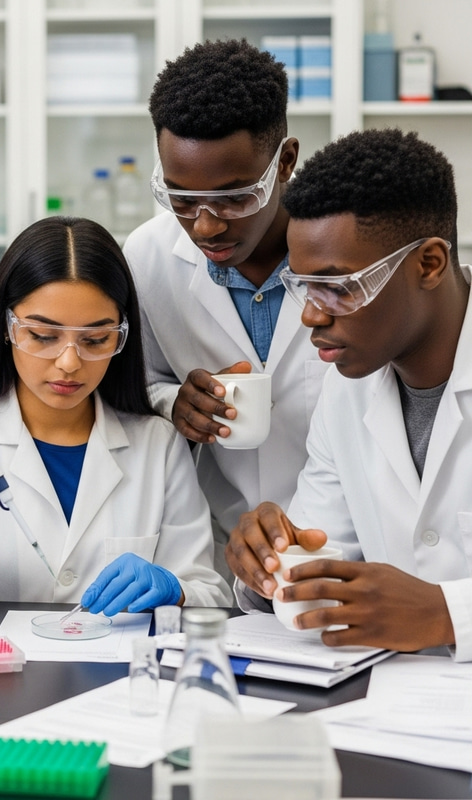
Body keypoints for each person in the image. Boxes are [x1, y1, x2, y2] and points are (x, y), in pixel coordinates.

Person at [0, 216, 231, 612]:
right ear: (7, 327)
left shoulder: (159, 445)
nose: (69, 362)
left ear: (122, 336)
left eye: (96, 339)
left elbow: (210, 593)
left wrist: (176, 590)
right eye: (43, 336)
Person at [226, 128, 472, 658]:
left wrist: (444, 614)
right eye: (303, 286)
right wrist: (270, 564)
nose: (311, 316)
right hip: (390, 702)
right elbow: (321, 558)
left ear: (428, 263)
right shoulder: (346, 390)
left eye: (339, 287)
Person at [123, 39, 327, 584]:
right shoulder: (146, 257)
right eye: (181, 200)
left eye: (235, 198)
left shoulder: (343, 259)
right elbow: (133, 384)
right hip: (215, 557)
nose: (206, 226)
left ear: (285, 162)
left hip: (342, 545)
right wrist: (174, 404)